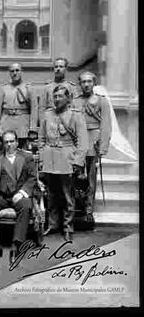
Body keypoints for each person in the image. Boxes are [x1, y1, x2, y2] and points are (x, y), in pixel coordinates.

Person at [39, 85, 88, 241]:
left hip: (67, 158)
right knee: (51, 195)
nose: (57, 99)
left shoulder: (76, 115)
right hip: (50, 159)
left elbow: (83, 142)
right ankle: (52, 225)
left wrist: (78, 162)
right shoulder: (47, 114)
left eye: (60, 96)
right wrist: (42, 157)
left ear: (68, 99)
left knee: (68, 196)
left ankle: (68, 227)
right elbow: (41, 139)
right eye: (55, 96)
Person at [0, 130, 37, 265]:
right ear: (3, 144)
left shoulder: (27, 157)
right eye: (6, 142)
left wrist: (22, 193)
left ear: (17, 142)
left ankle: (16, 246)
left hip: (19, 195)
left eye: (12, 141)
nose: (9, 144)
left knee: (26, 206)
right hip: (2, 196)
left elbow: (33, 177)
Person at [73, 71, 112, 223]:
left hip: (93, 141)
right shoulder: (75, 101)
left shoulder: (101, 101)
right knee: (75, 177)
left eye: (89, 81)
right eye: (83, 82)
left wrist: (102, 148)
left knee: (90, 179)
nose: (86, 84)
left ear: (94, 83)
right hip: (77, 143)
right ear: (80, 84)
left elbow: (106, 125)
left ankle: (88, 211)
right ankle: (75, 210)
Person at [0, 63, 38, 149]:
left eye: (17, 70)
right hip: (6, 124)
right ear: (9, 73)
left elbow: (34, 109)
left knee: (23, 153)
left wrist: (32, 129)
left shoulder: (29, 88)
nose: (15, 73)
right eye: (12, 71)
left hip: (22, 126)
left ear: (21, 72)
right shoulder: (3, 89)